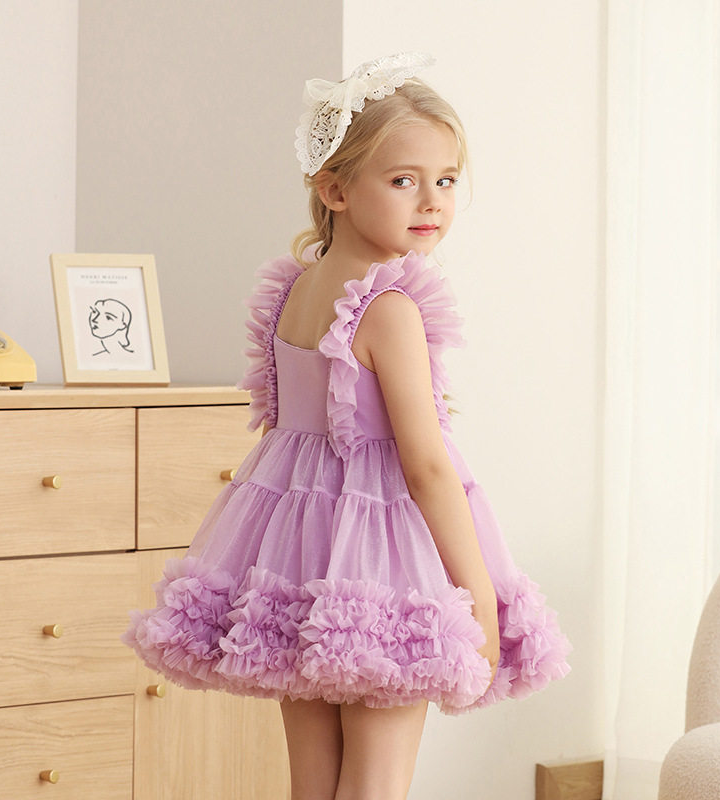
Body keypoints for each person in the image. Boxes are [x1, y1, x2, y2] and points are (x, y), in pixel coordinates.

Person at [123, 52, 571, 800]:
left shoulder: (296, 291)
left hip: (296, 551)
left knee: (315, 782)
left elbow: (290, 433)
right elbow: (426, 466)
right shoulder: (390, 308)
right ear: (334, 188)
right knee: (377, 781)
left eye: (447, 180)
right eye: (403, 181)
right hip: (385, 559)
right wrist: (479, 600)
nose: (432, 202)